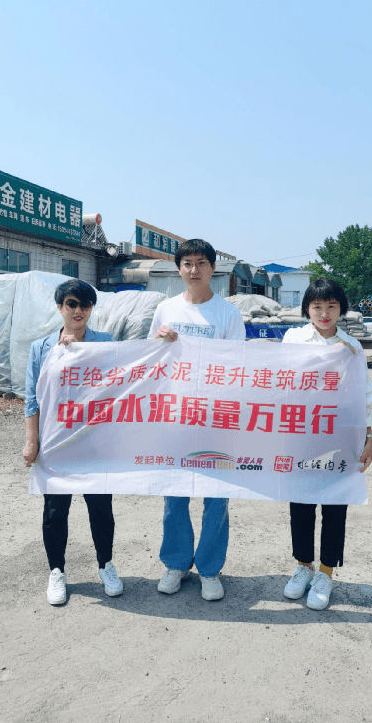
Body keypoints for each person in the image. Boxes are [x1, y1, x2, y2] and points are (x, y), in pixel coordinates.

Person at [148, 239, 245, 601]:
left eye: (201, 263)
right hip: (173, 416)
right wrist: (159, 341)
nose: (193, 269)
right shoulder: (166, 309)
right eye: (187, 263)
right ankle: (176, 563)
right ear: (179, 269)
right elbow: (148, 360)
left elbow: (238, 366)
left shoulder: (228, 314)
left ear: (212, 268)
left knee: (216, 497)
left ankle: (209, 568)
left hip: (216, 418)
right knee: (174, 494)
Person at [23, 279, 123, 605]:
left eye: (85, 305)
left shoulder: (104, 342)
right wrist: (32, 441)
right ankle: (57, 571)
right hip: (57, 442)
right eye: (71, 304)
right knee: (55, 510)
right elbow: (32, 398)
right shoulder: (42, 348)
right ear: (60, 307)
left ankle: (106, 565)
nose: (78, 311)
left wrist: (162, 343)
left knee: (101, 509)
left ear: (91, 309)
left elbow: (125, 377)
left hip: (95, 441)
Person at [281, 278, 372, 611]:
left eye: (331, 306)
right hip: (302, 435)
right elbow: (279, 381)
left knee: (335, 505)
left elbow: (364, 395)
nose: (324, 313)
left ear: (341, 309)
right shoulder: (294, 339)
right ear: (307, 308)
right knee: (301, 502)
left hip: (340, 435)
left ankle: (325, 573)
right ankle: (303, 566)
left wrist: (368, 436)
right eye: (317, 306)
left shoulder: (352, 346)